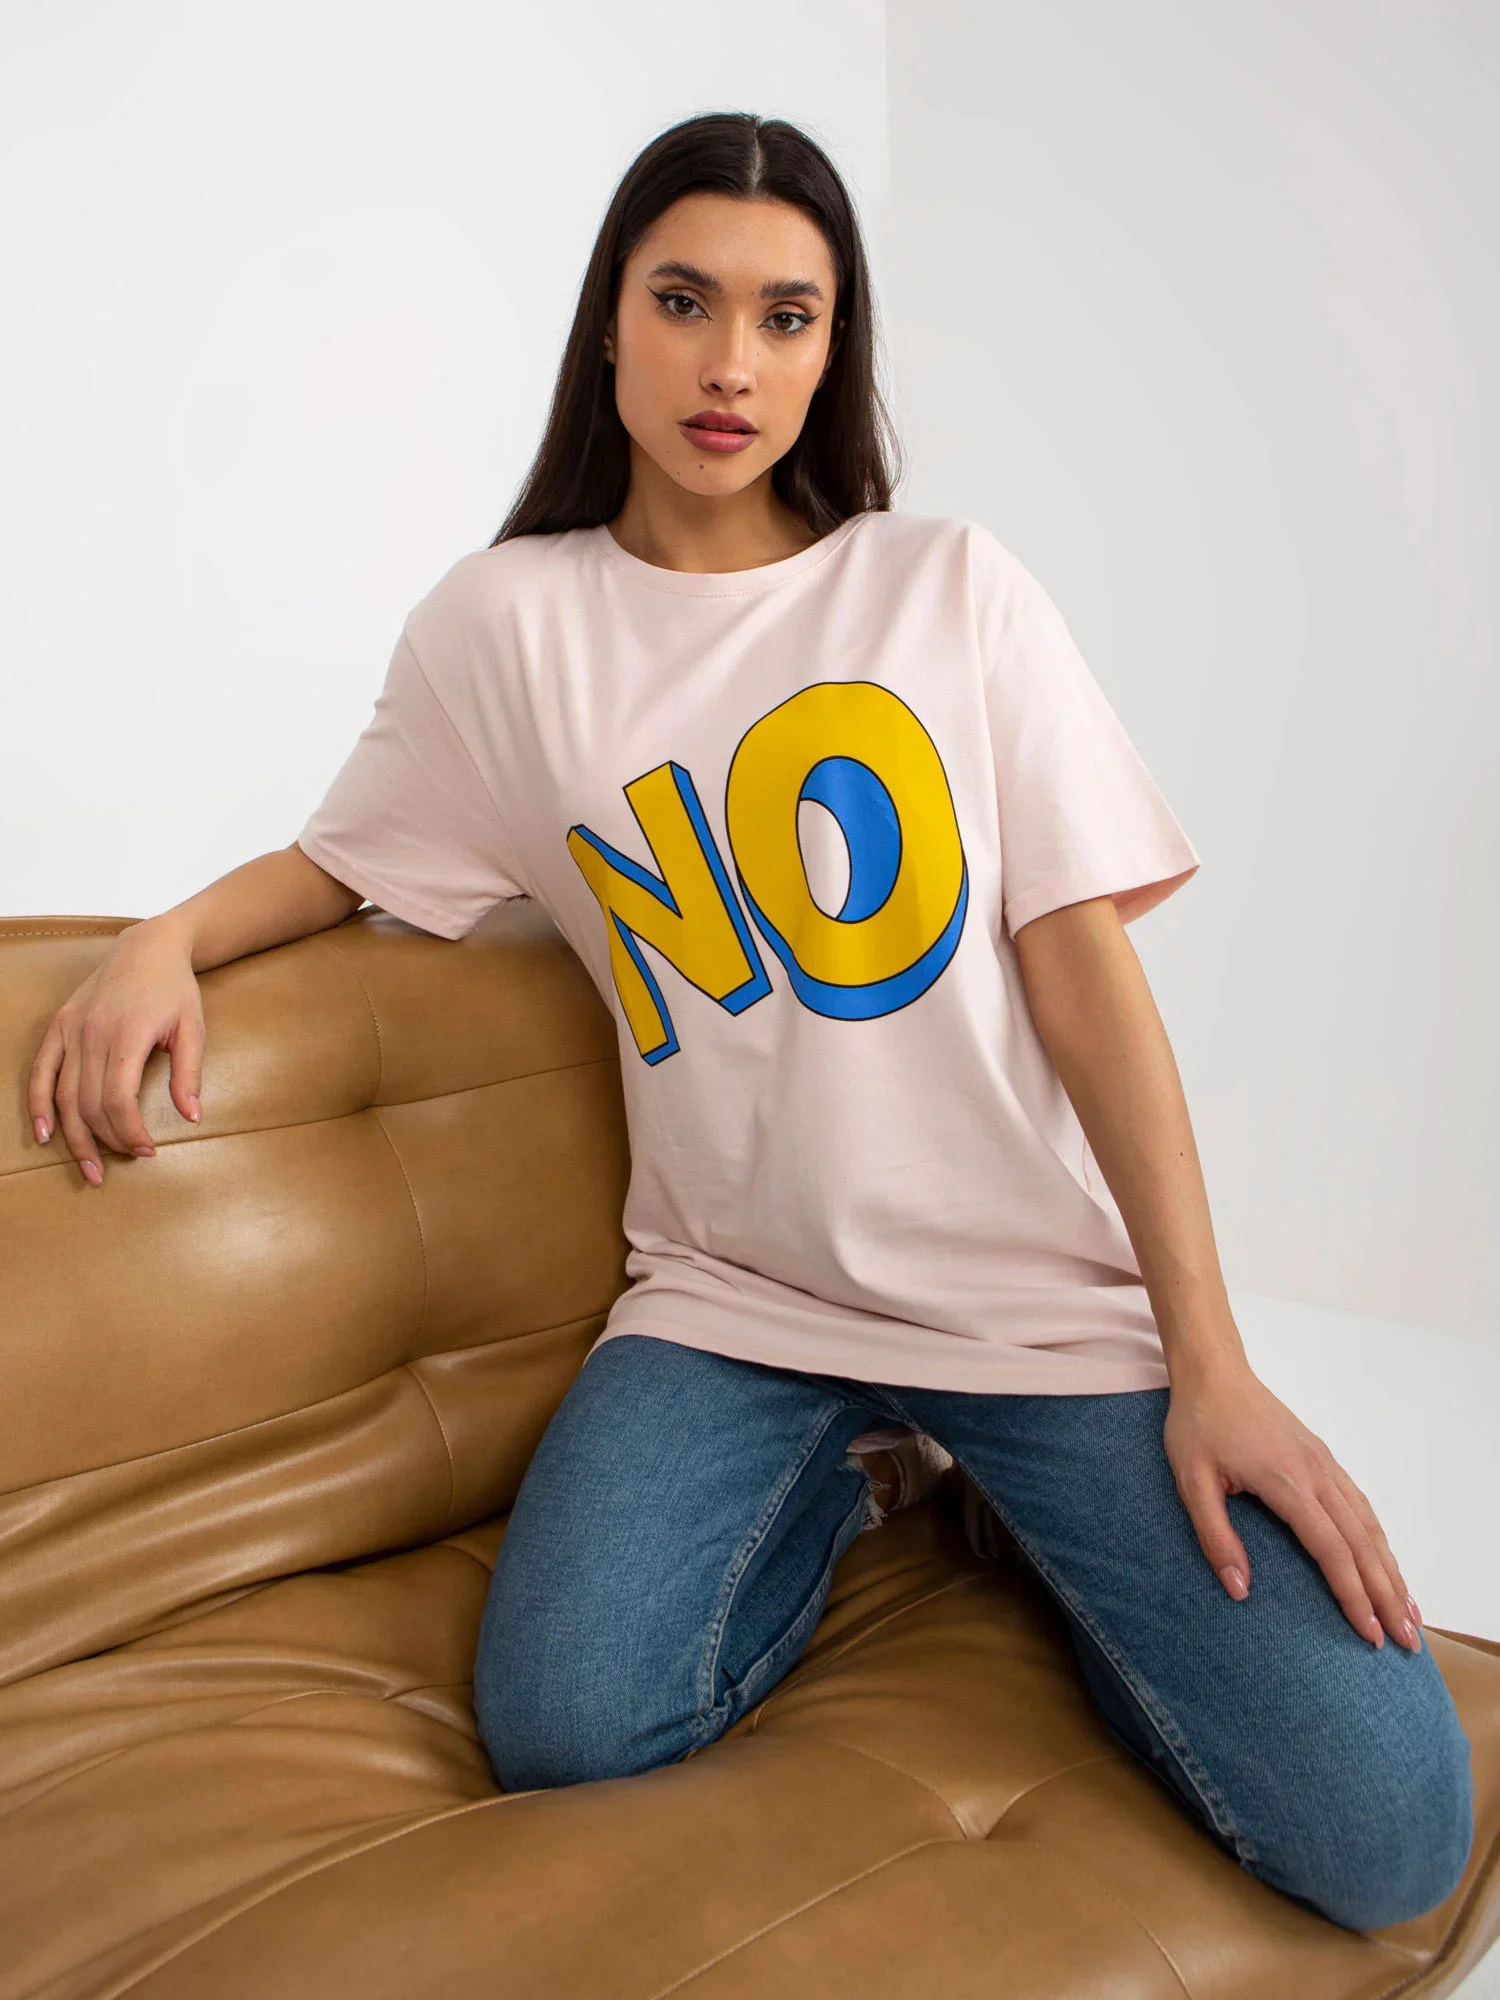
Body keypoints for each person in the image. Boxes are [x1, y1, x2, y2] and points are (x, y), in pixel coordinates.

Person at [25, 110, 1472, 1933]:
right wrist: (163, 940)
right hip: (732, 1304)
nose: (731, 365)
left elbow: (1085, 975)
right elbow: (340, 862)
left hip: (1031, 1305)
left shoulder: (944, 587)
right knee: (571, 1721)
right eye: (685, 301)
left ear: (833, 348)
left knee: (1390, 1832)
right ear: (608, 323)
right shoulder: (504, 629)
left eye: (788, 317)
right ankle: (882, 1475)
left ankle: (1021, 1506)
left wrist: (1213, 1359)